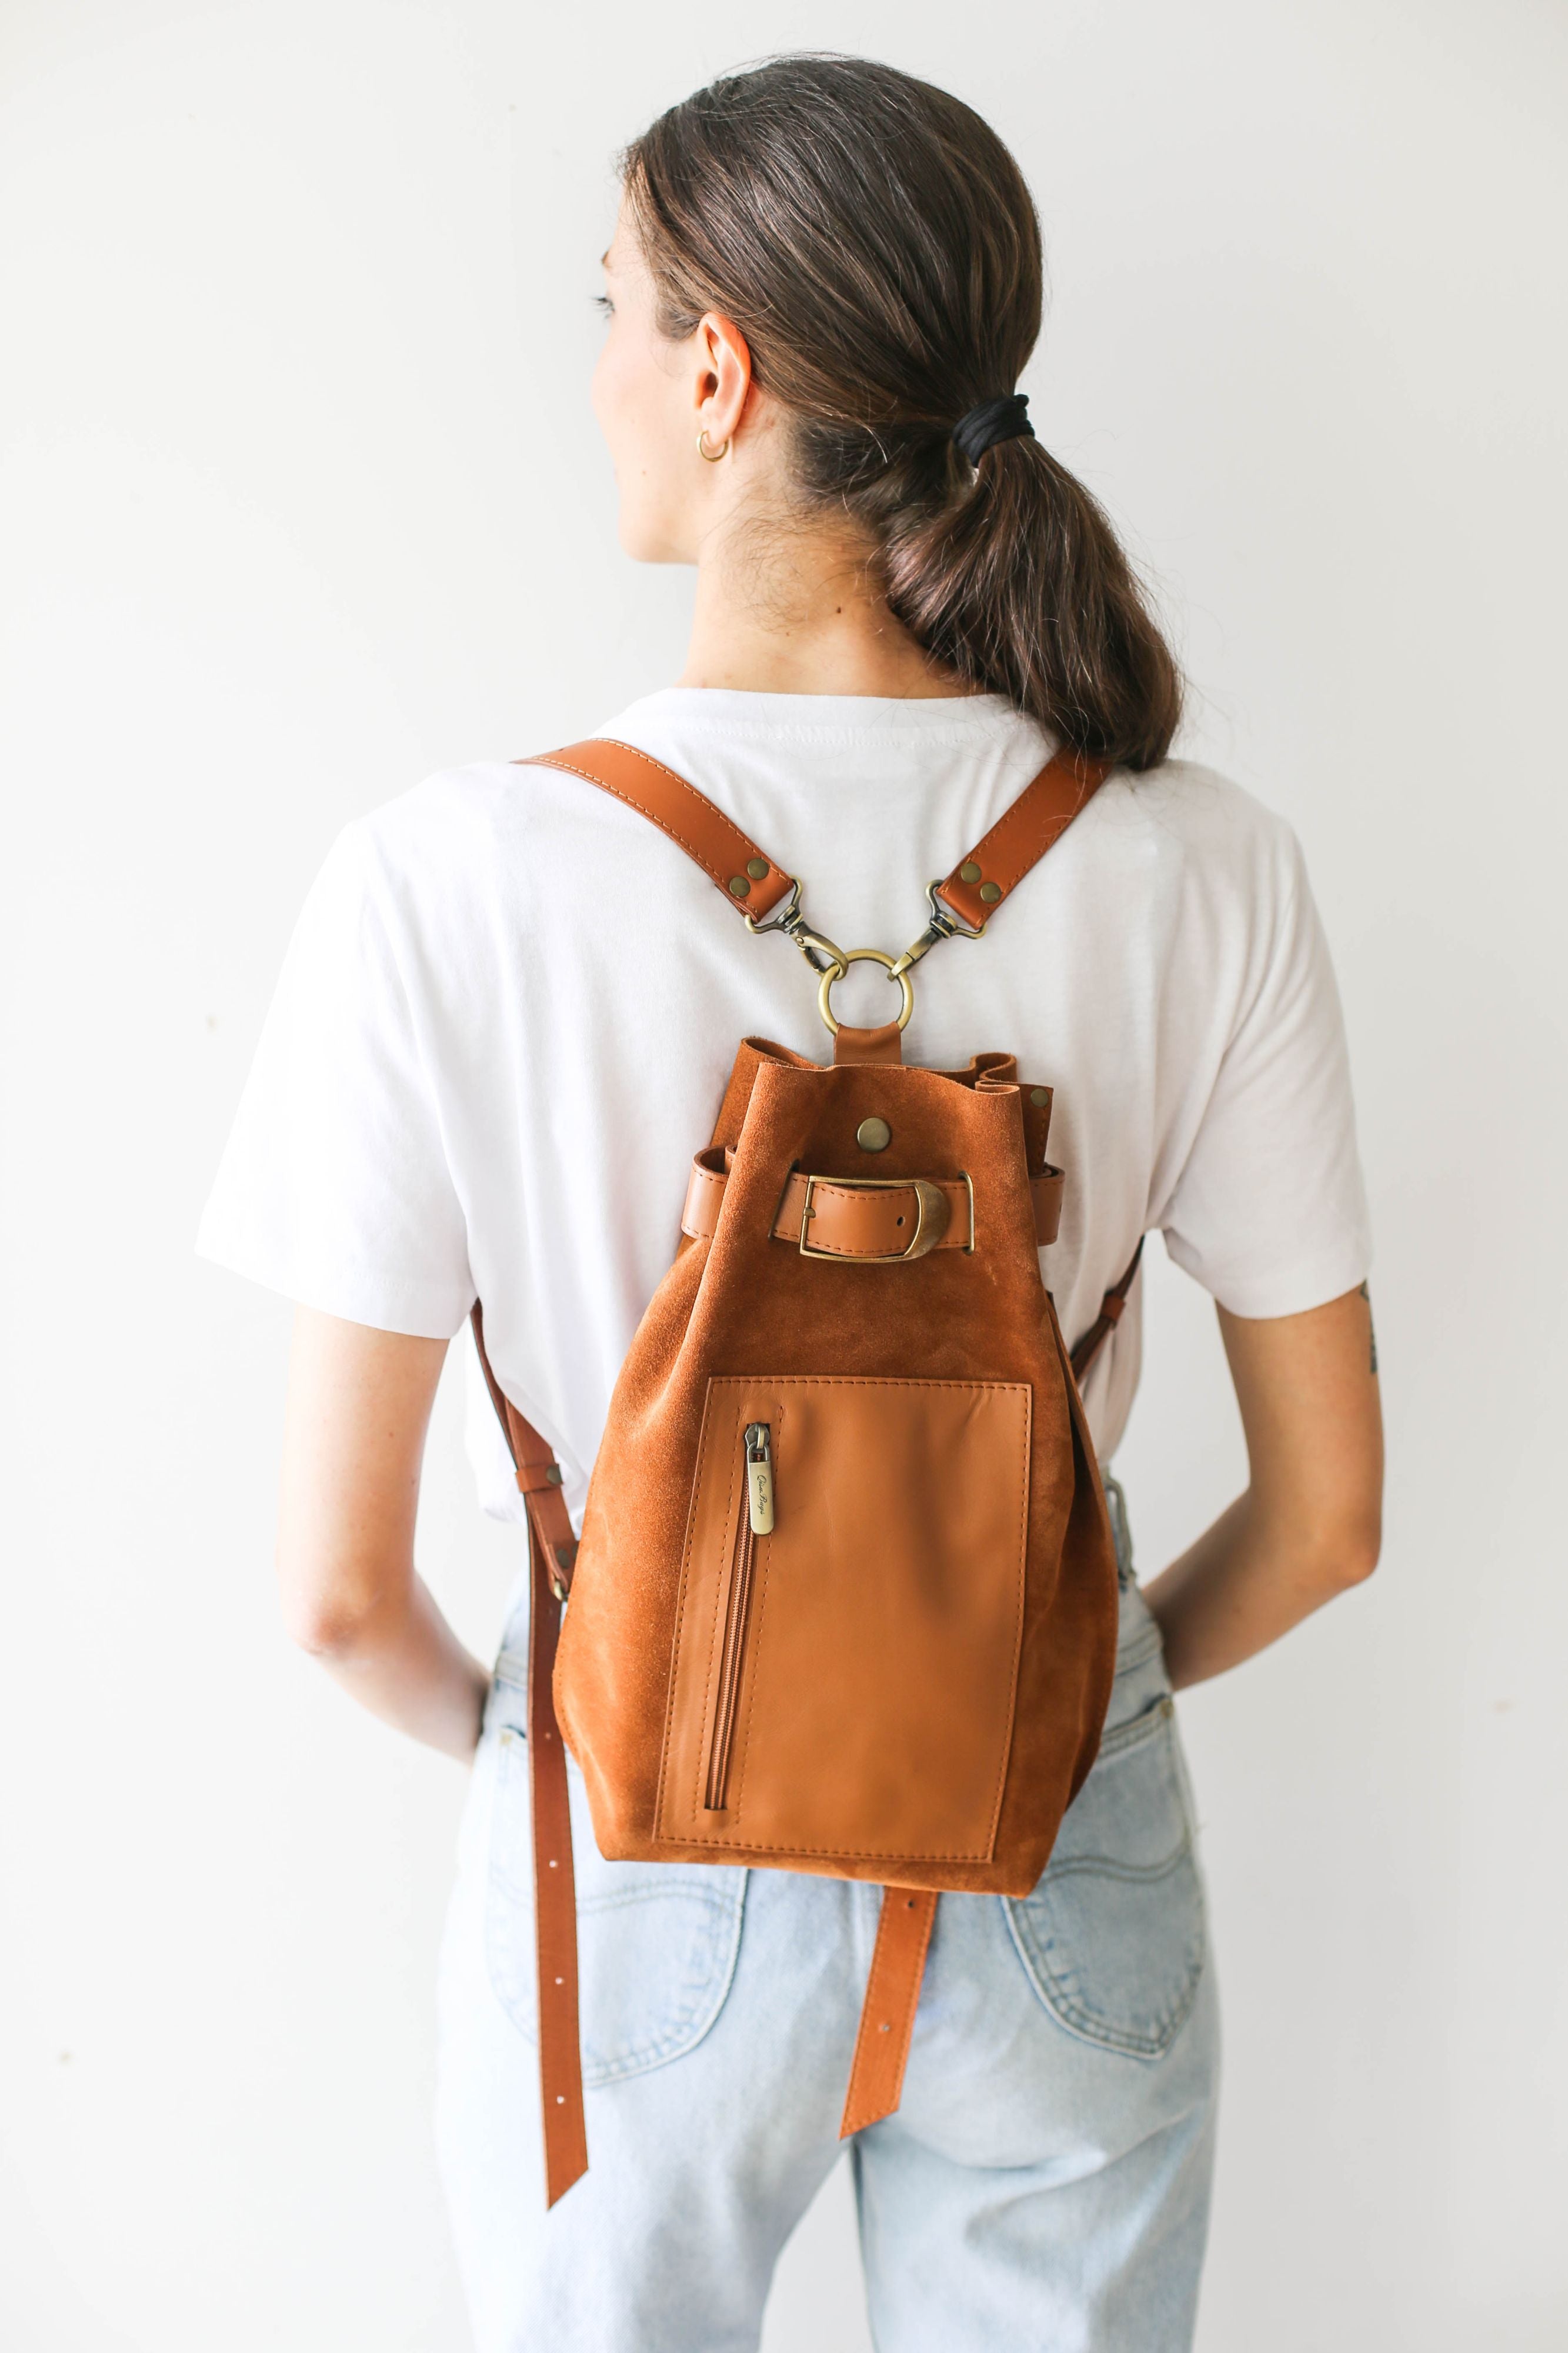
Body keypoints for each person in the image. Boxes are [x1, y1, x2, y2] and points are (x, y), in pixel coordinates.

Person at [198, 54, 1382, 2353]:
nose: (603, 369)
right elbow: (1325, 1516)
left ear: (714, 367)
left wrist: (554, 1725)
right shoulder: (1201, 860)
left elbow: (338, 1593)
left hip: (626, 1846)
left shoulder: (446, 879)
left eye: (613, 308)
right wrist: (1060, 1687)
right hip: (1055, 1835)